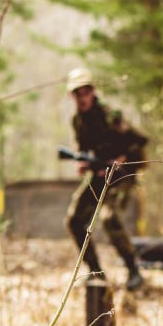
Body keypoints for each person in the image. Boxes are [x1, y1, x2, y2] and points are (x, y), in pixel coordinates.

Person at [63, 67, 147, 291]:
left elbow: (139, 141)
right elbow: (84, 148)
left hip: (122, 175)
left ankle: (134, 270)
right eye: (77, 94)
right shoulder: (78, 121)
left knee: (110, 218)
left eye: (85, 92)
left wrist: (123, 159)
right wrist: (83, 163)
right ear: (72, 96)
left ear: (92, 91)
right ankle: (96, 272)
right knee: (74, 220)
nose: (82, 98)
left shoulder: (110, 115)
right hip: (98, 174)